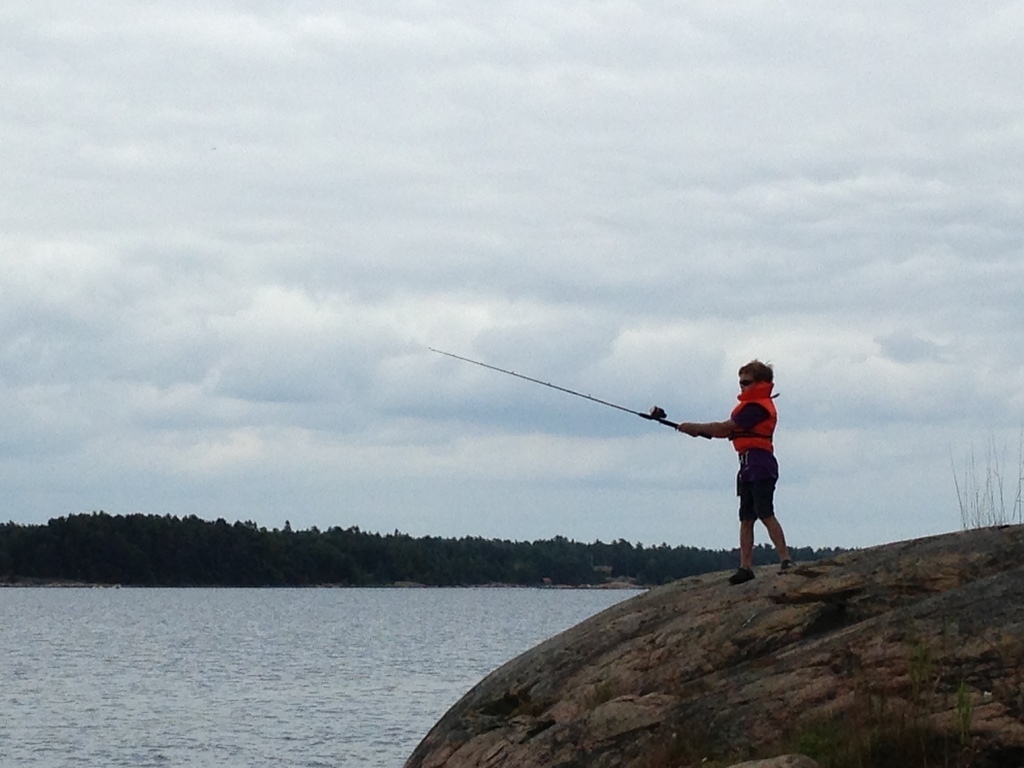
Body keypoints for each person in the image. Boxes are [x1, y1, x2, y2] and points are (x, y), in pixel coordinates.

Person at [672, 360, 793, 585]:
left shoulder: (757, 407)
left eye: (746, 382)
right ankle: (745, 567)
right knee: (746, 517)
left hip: (761, 462)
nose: (742, 387)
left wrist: (695, 427)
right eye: (740, 383)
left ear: (761, 383)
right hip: (746, 463)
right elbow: (726, 432)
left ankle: (785, 560)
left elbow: (726, 428)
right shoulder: (750, 407)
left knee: (765, 512)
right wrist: (695, 430)